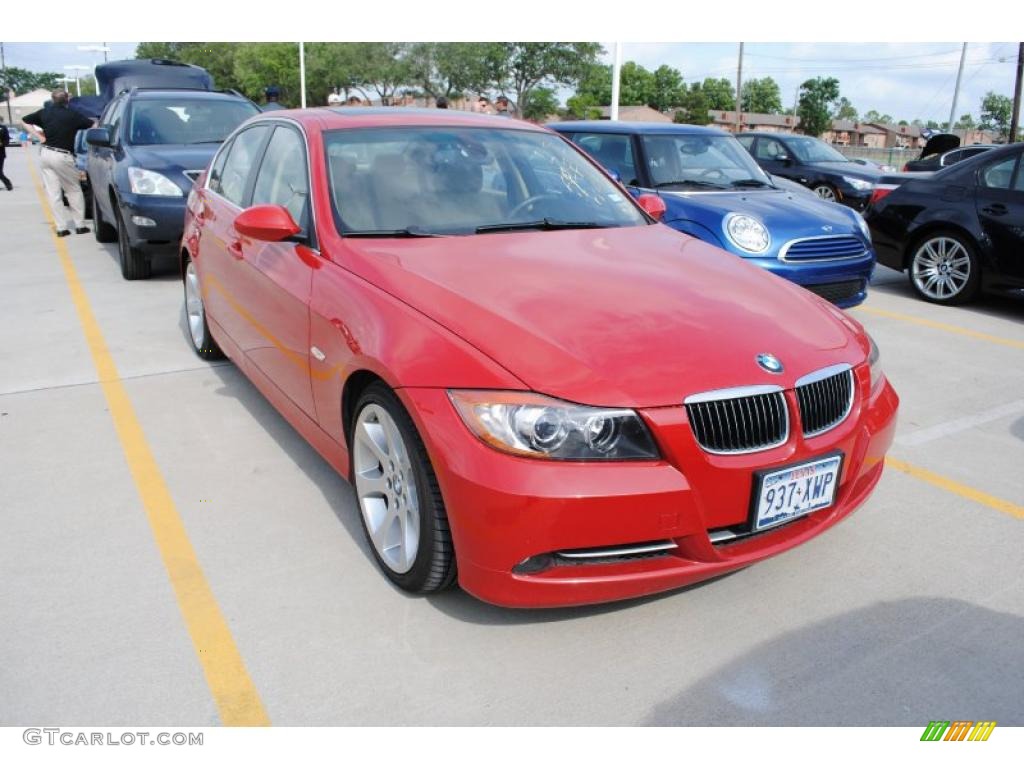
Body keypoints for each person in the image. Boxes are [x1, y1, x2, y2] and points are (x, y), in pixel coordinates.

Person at [22, 89, 94, 235]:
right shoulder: (72, 115)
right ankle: (80, 225)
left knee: (53, 193)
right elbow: (92, 125)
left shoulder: (44, 112)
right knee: (73, 190)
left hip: (46, 153)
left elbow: (24, 120)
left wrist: (39, 136)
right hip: (63, 156)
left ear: (53, 99)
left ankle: (61, 228)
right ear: (67, 99)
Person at [0, 124, 12, 191]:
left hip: (0, 153)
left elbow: (7, 141)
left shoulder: (3, 128)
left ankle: (8, 183)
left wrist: (2, 144)